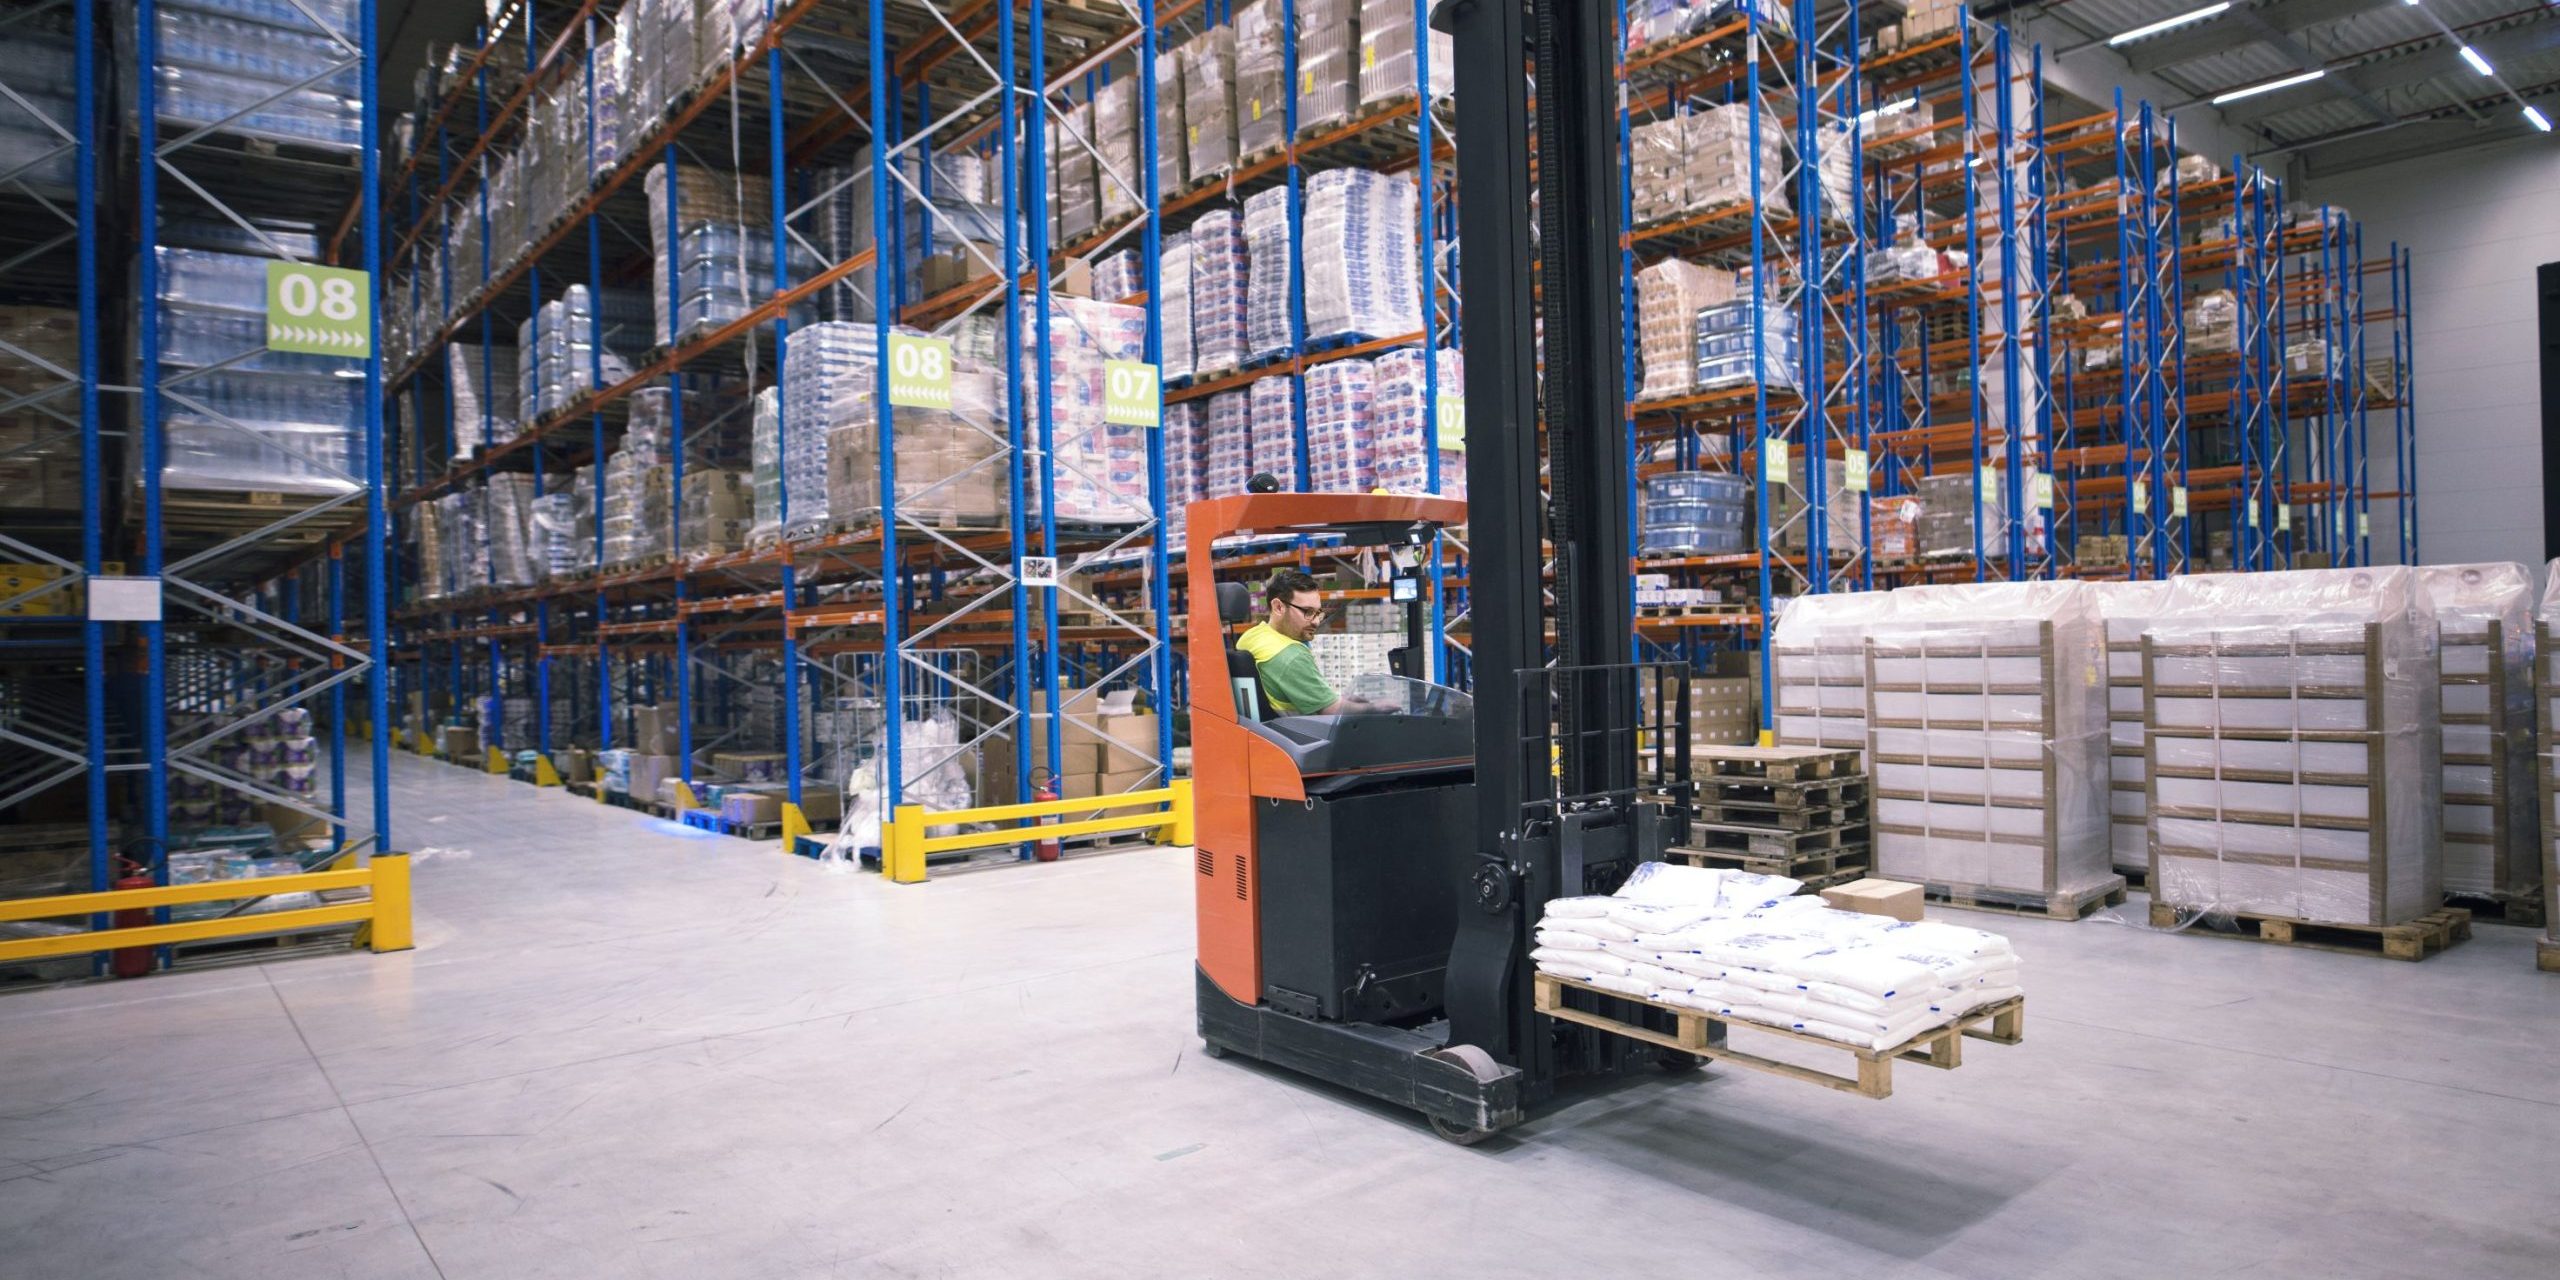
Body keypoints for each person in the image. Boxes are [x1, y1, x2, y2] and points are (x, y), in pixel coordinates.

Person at [1234, 569, 1350, 715]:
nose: (1315, 621)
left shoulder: (1251, 636)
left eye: (1317, 613)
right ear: (1278, 607)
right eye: (1307, 612)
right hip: (1300, 734)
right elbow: (1333, 710)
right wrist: (1374, 706)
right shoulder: (1291, 656)